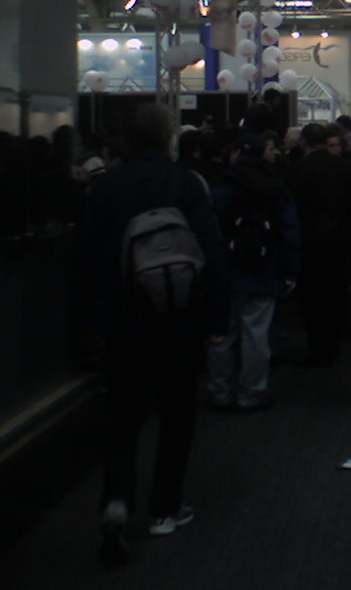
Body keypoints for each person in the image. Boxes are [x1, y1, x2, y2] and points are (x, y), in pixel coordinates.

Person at [81, 104, 228, 564]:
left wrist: (92, 322)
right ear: (168, 136)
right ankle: (165, 507)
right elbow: (210, 253)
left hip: (123, 318)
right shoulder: (186, 184)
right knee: (177, 412)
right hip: (179, 317)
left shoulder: (104, 187)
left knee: (122, 416)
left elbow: (88, 262)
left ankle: (116, 502)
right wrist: (216, 319)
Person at [207, 131, 302, 412]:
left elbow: (209, 228)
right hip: (263, 270)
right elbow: (290, 233)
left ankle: (220, 391)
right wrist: (291, 272)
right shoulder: (275, 188)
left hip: (227, 271)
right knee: (256, 334)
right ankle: (252, 393)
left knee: (224, 334)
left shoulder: (223, 187)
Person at [292, 122, 351, 367]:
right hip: (340, 242)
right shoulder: (344, 167)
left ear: (303, 143)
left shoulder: (299, 169)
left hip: (310, 244)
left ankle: (318, 349)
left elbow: (295, 208)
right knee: (336, 297)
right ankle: (334, 345)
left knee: (313, 301)